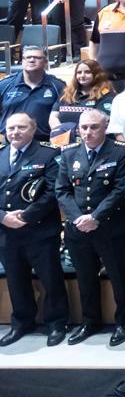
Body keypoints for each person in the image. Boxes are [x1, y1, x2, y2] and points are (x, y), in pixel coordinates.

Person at [53, 110, 125, 347]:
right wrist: (78, 218)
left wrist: (96, 217)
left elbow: (120, 189)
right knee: (85, 279)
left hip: (110, 227)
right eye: (83, 127)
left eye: (93, 127)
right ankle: (90, 321)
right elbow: (62, 190)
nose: (87, 132)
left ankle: (123, 322)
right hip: (78, 230)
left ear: (105, 127)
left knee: (119, 277)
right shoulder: (69, 154)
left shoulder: (120, 151)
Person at [0, 113, 68, 348]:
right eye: (11, 128)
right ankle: (22, 322)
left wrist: (26, 216)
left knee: (51, 279)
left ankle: (57, 322)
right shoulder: (0, 155)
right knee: (16, 280)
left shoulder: (48, 154)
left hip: (40, 230)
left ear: (33, 129)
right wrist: (3, 218)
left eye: (21, 127)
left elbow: (52, 192)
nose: (15, 132)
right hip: (7, 231)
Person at [0, 46, 66, 141]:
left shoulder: (58, 86)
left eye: (37, 58)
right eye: (28, 57)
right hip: (10, 142)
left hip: (43, 143)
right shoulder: (4, 85)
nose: (32, 60)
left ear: (45, 62)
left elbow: (63, 116)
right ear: (22, 61)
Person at [49, 60, 115, 146]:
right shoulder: (67, 93)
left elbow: (101, 123)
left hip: (92, 144)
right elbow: (53, 117)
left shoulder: (106, 95)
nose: (82, 76)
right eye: (79, 72)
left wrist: (72, 131)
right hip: (63, 143)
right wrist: (62, 133)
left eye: (87, 72)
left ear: (97, 74)